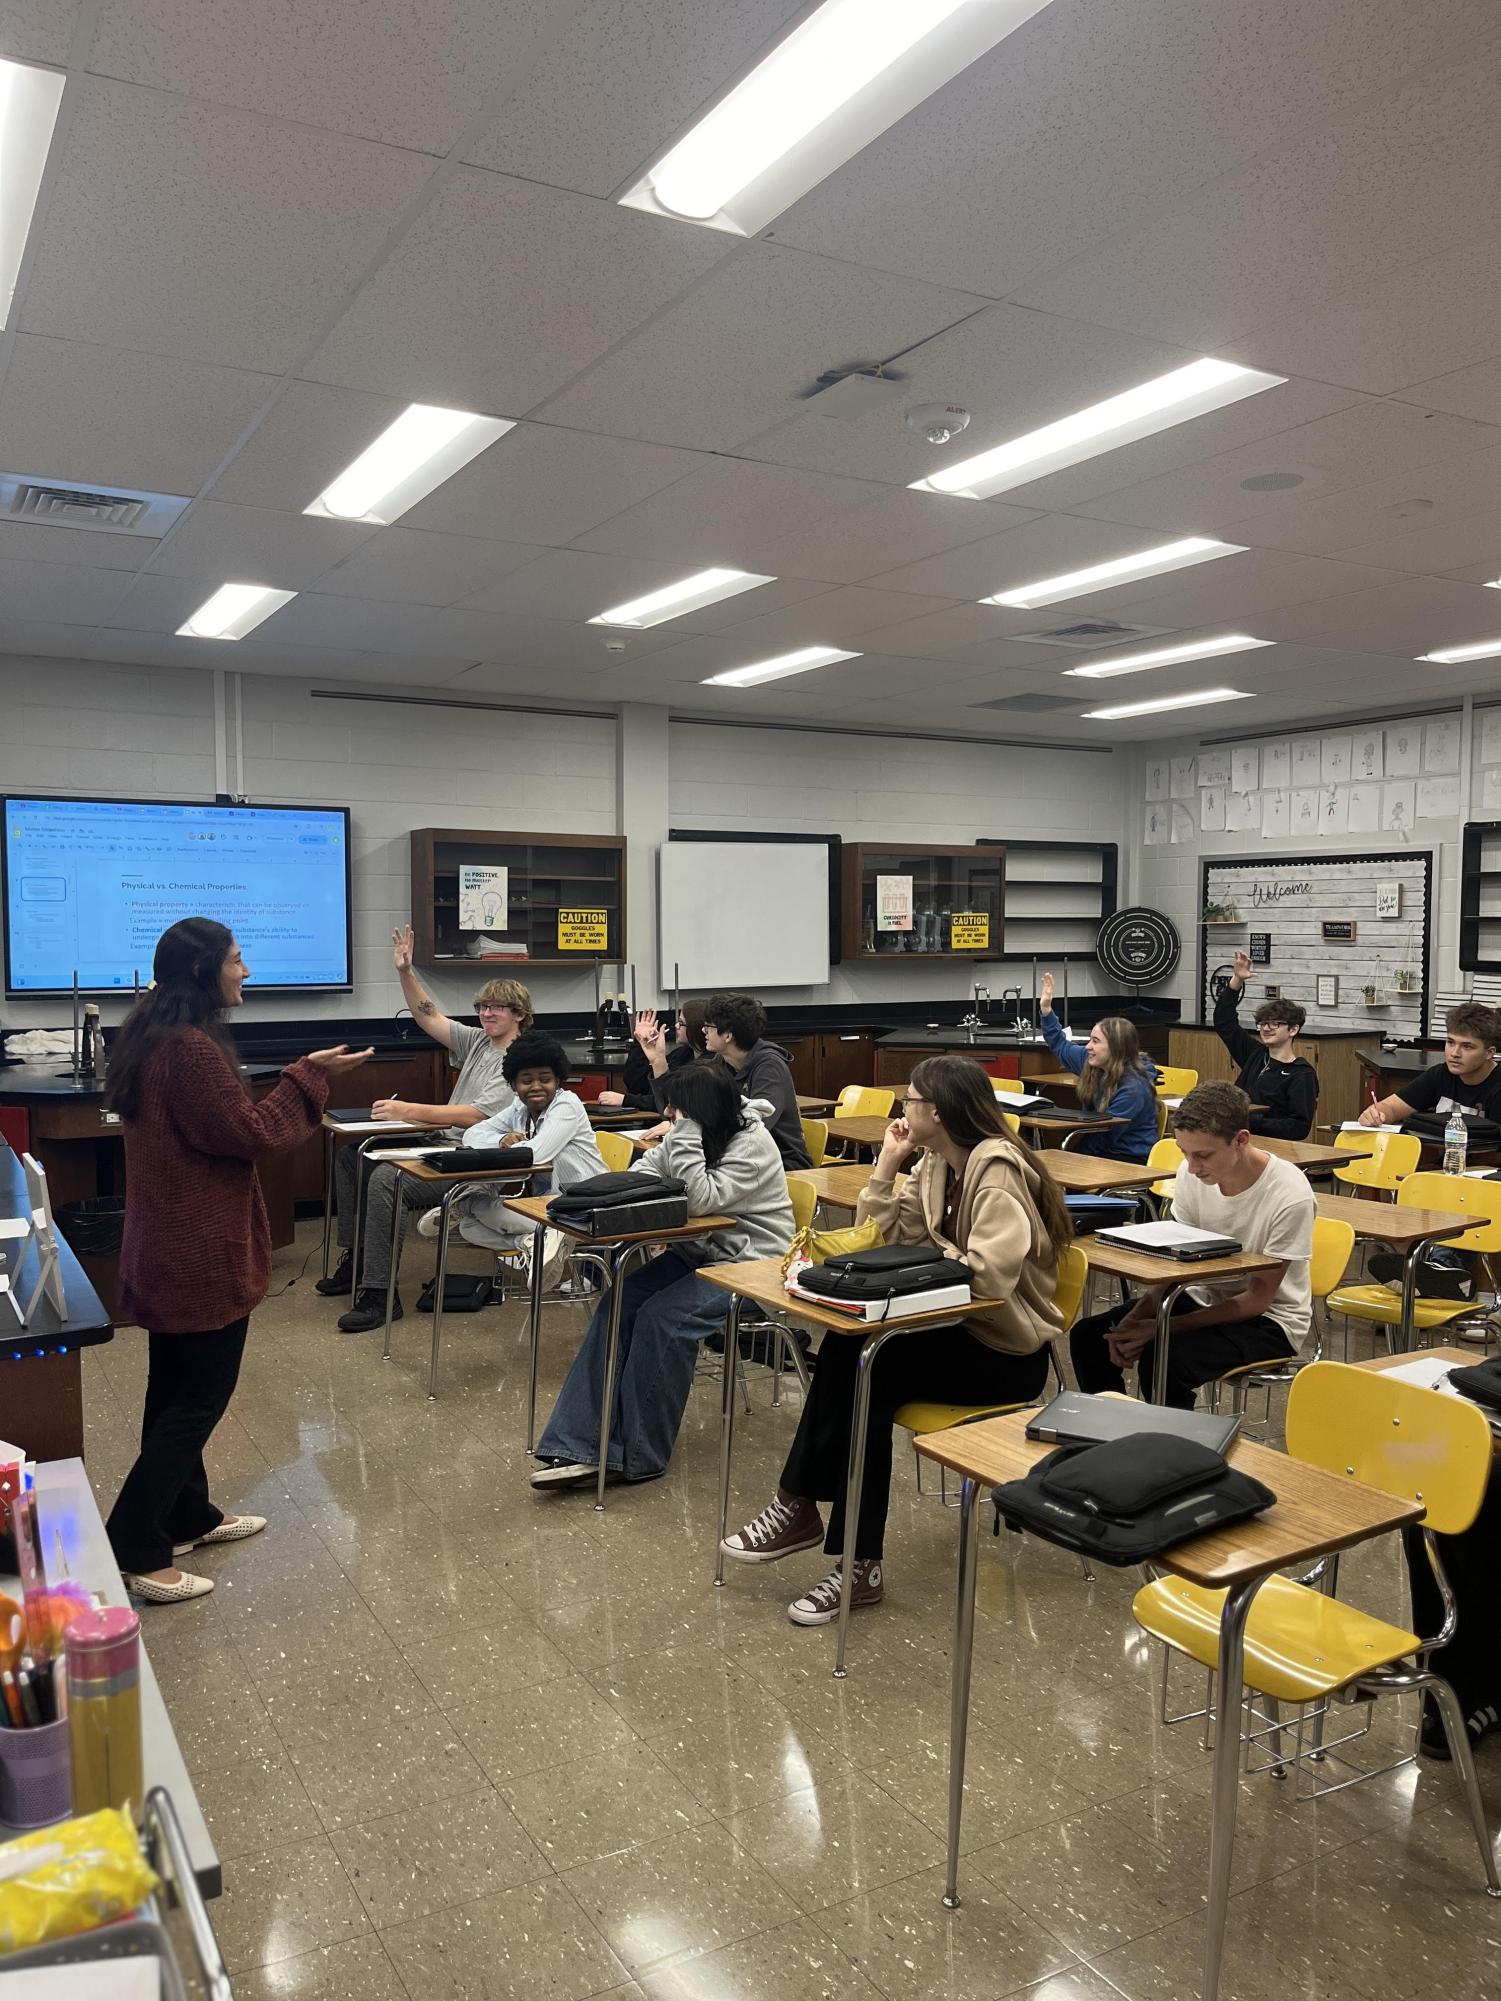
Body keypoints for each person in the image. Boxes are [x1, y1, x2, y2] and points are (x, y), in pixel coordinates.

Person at [722, 1055, 1071, 1627]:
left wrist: (931, 1261)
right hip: (952, 1330)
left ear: (938, 1111)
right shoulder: (935, 1162)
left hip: (1005, 1353)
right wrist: (886, 1164)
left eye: (911, 1100)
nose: (903, 1108)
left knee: (868, 1369)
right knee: (850, 1353)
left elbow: (987, 1279)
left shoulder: (996, 1168)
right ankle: (822, 1527)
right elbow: (887, 1235)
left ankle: (828, 1534)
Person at [103, 918, 371, 1603]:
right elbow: (249, 1132)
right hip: (195, 1254)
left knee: (173, 1390)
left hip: (169, 1248)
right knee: (198, 1400)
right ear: (204, 972)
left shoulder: (153, 1034)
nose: (245, 970)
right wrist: (309, 1074)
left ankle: (186, 1514)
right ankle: (135, 1542)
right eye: (236, 959)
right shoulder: (189, 1049)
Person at [530, 1066, 794, 1490]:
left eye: (677, 1107)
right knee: (621, 1302)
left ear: (699, 1112)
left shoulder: (752, 1143)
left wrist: (684, 1133)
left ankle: (637, 1456)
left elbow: (702, 1200)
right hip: (702, 1255)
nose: (668, 1112)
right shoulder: (693, 1132)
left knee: (663, 1319)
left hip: (752, 1266)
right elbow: (648, 1175)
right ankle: (578, 1443)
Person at [320, 925, 532, 1332]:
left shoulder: (521, 1060)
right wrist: (404, 970)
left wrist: (408, 1109)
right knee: (352, 1158)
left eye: (498, 1008)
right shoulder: (479, 1042)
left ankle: (380, 1296)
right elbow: (428, 1015)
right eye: (483, 1006)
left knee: (387, 1179)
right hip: (444, 1144)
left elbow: (476, 1117)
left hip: (476, 1157)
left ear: (519, 1014)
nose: (487, 1013)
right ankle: (359, 1261)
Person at [1070, 1081, 1315, 1409]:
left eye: (1203, 1155)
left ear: (1240, 1140)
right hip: (1200, 1296)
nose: (1192, 1165)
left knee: (1166, 1358)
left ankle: (1175, 1456)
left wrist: (1158, 1327)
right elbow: (1175, 1267)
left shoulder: (1290, 1194)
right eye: (1185, 1153)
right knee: (1091, 1336)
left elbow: (1257, 1299)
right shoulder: (1191, 1175)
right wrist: (1136, 1320)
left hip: (1270, 1320)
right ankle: (1110, 1438)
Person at [428, 1031, 605, 1285]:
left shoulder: (567, 1105)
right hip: (548, 1203)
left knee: (479, 1208)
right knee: (468, 1228)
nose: (536, 1086)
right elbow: (472, 1134)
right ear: (513, 1085)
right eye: (526, 1080)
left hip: (582, 1205)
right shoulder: (519, 1108)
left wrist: (513, 1147)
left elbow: (535, 1154)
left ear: (558, 1079)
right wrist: (500, 1140)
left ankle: (465, 1206)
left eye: (545, 1079)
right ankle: (532, 1241)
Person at [1038, 974, 1159, 1161]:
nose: (1088, 1047)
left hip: (1127, 1159)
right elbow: (1060, 1045)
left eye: (1095, 1041)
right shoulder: (1092, 1062)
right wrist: (1046, 1010)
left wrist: (1067, 1160)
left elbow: (1105, 1136)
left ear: (1115, 1048)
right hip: (1100, 1152)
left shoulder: (1133, 1088)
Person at [1213, 952, 1319, 1140]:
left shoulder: (1301, 1074)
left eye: (1274, 1024)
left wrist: (1251, 1122)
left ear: (1293, 1030)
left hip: (1270, 1146)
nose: (1266, 1029)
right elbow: (1224, 1021)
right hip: (1237, 1138)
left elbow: (1299, 1127)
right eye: (1263, 1024)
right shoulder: (1256, 1054)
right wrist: (1236, 980)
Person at [702, 991, 810, 1168]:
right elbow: (698, 1102)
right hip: (739, 1156)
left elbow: (756, 1127)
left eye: (709, 1026)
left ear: (728, 1035)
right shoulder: (722, 1061)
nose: (703, 1030)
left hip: (783, 1163)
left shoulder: (769, 1066)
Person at [1359, 1001, 1501, 1128]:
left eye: (1467, 1047)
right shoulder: (1440, 1075)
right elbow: (1391, 1107)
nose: (1455, 1053)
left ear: (1489, 1053)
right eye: (1450, 1042)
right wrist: (1376, 1113)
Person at [593, 1001, 707, 1111]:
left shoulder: (708, 1067)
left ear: (695, 1028)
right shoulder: (681, 1054)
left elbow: (669, 1102)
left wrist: (625, 1100)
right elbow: (639, 1085)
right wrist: (640, 1044)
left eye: (681, 1023)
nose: (676, 1026)